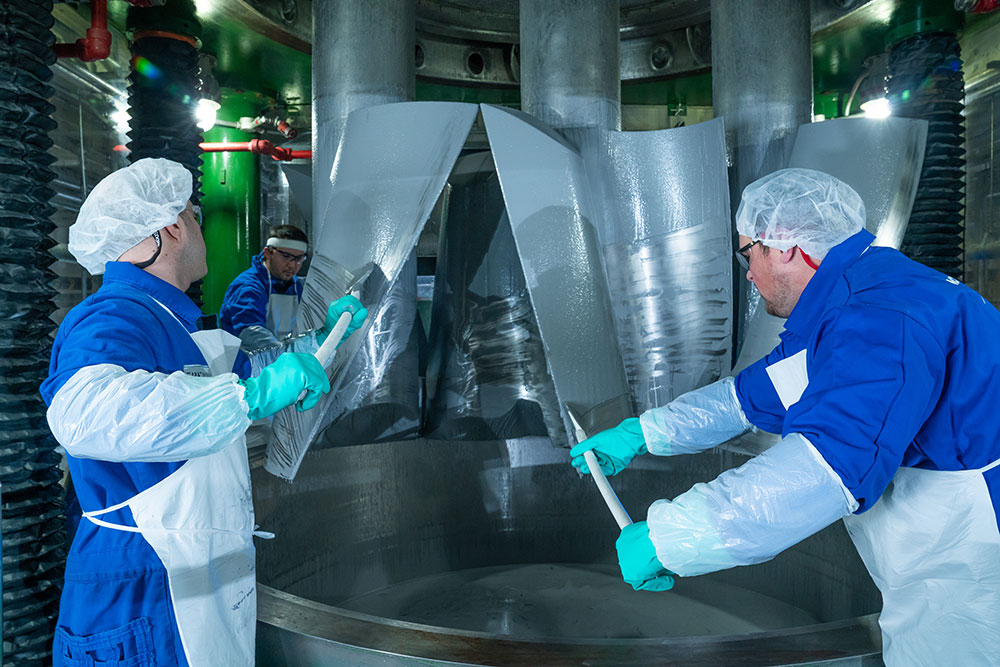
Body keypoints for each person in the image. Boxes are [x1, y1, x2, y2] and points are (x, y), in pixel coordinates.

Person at [571, 168, 1000, 666]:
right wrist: (642, 434)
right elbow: (746, 397)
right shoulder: (856, 298)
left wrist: (671, 537)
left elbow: (822, 471)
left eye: (748, 252)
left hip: (972, 562)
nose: (748, 273)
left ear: (786, 248)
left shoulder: (883, 318)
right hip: (944, 542)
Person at [40, 158, 368, 666]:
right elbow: (87, 413)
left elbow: (251, 367)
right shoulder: (113, 315)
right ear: (170, 228)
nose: (199, 228)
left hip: (188, 578)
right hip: (144, 587)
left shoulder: (179, 324)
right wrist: (249, 398)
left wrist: (323, 342)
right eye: (193, 216)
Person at [219, 223, 313, 348]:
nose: (292, 265)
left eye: (299, 259)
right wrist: (288, 355)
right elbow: (252, 335)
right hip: (248, 364)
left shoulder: (295, 286)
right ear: (268, 252)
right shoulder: (248, 287)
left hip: (281, 361)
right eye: (286, 257)